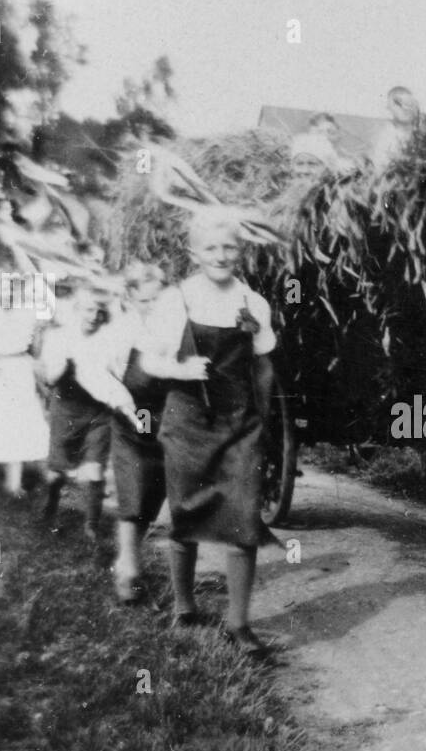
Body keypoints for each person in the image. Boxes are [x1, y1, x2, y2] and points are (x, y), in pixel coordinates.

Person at [142, 208, 276, 655]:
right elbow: (150, 362)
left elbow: (263, 365)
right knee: (186, 513)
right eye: (211, 247)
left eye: (229, 247)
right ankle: (184, 605)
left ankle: (238, 622)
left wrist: (263, 418)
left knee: (243, 518)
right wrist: (180, 369)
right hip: (188, 423)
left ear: (241, 250)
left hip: (240, 425)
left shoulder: (253, 304)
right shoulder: (175, 300)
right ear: (193, 252)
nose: (221, 255)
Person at [74, 261, 168, 603]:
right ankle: (128, 566)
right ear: (129, 298)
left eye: (159, 300)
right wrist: (122, 400)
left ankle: (131, 551)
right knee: (134, 485)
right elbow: (92, 372)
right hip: (133, 414)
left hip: (167, 417)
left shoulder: (171, 329)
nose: (153, 308)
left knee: (155, 492)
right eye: (146, 302)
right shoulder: (119, 333)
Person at [39, 284, 112, 538]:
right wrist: (66, 362)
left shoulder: (108, 337)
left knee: (94, 470)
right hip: (66, 410)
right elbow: (49, 378)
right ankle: (51, 503)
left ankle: (91, 526)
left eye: (99, 311)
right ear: (77, 310)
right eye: (89, 310)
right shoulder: (59, 337)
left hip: (98, 412)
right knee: (57, 473)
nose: (94, 316)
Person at [0, 266, 50, 497]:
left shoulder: (26, 312)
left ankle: (14, 482)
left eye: (10, 288)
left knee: (16, 421)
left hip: (18, 367)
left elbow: (35, 347)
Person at [371, 87, 420, 170]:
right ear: (389, 108)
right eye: (398, 104)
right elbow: (380, 169)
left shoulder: (421, 131)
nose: (404, 108)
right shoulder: (385, 138)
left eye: (408, 103)